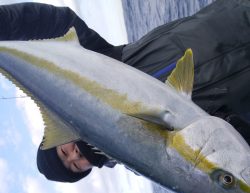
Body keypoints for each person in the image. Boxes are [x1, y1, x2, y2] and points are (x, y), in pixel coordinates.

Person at [0, 0, 249, 182]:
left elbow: (55, 23)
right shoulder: (147, 161)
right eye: (76, 166)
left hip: (233, 21)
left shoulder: (98, 65)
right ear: (87, 170)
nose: (75, 155)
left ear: (58, 129)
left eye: (64, 151)